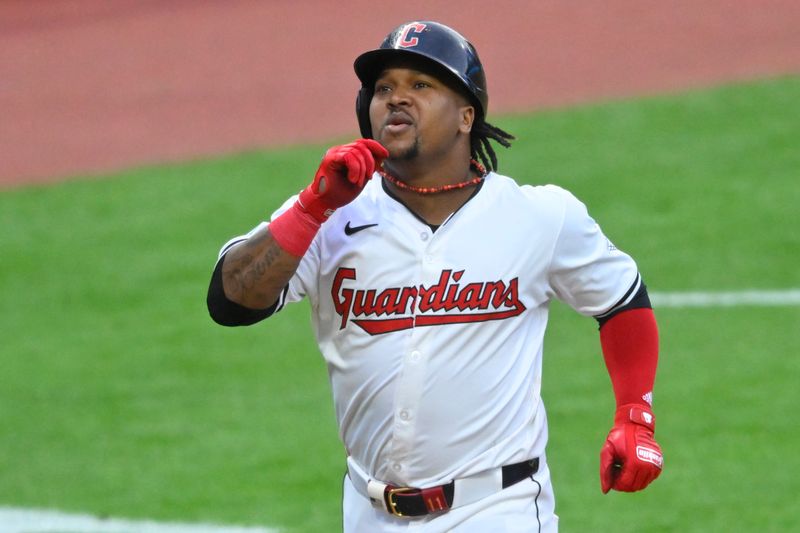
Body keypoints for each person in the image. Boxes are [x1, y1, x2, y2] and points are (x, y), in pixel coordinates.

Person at [207, 20, 663, 532]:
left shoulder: (539, 217)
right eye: (384, 89)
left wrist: (634, 414)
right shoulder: (328, 214)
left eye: (420, 86)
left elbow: (621, 298)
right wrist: (312, 209)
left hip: (496, 507)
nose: (396, 100)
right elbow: (229, 302)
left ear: (467, 114)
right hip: (367, 510)